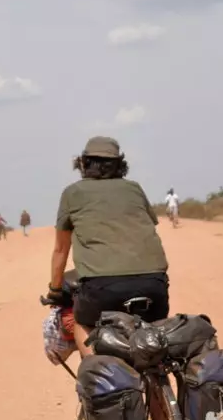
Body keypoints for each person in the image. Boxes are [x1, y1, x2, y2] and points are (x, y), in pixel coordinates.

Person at [46, 136, 169, 358]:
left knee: (82, 324)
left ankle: (97, 377)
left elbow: (60, 250)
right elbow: (148, 226)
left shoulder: (73, 193)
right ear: (120, 164)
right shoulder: (134, 188)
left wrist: (55, 290)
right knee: (155, 335)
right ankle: (159, 387)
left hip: (100, 290)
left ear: (83, 163)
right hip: (154, 285)